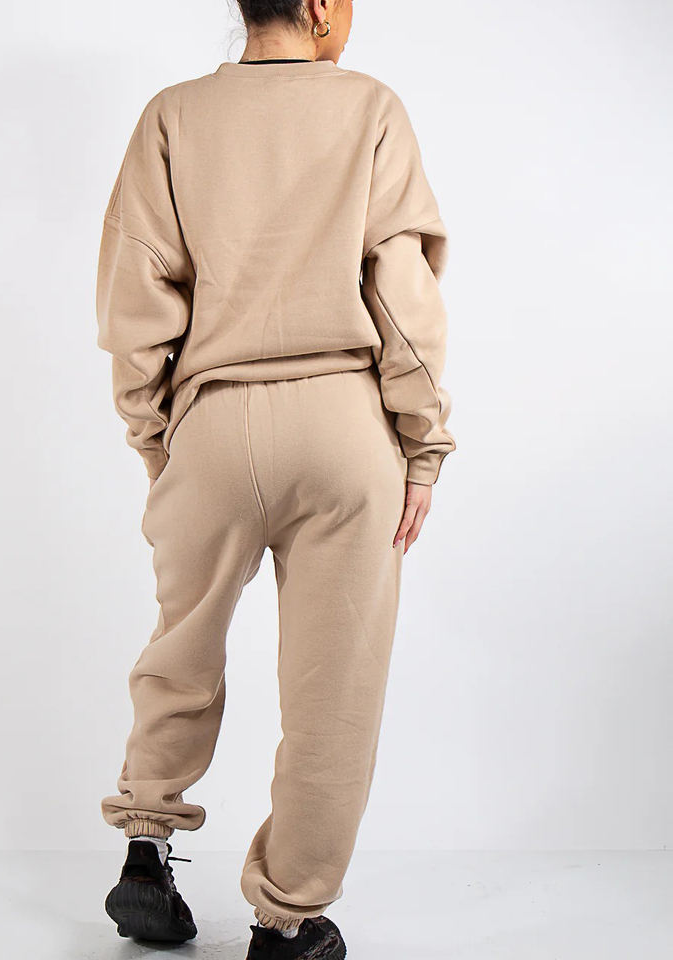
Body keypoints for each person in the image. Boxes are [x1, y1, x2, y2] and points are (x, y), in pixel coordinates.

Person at [96, 0, 455, 956]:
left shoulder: (172, 115)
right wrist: (422, 444)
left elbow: (137, 295)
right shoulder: (369, 107)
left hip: (211, 423)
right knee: (334, 686)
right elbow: (402, 294)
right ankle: (288, 920)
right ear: (321, 5)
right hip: (343, 424)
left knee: (180, 647)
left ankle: (145, 846)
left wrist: (159, 442)